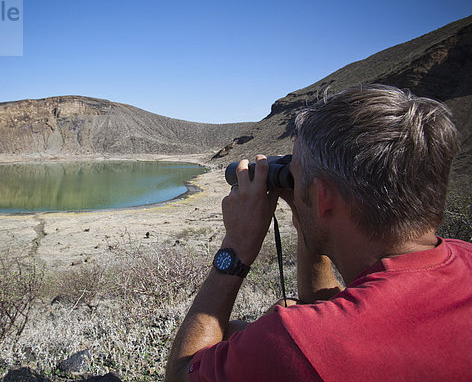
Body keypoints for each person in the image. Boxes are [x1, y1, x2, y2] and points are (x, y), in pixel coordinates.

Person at [165, 84, 472, 381]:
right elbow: (338, 311)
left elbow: (182, 374)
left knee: (236, 331)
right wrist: (306, 215)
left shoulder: (297, 344)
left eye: (295, 177)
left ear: (323, 197)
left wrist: (237, 245)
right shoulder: (465, 256)